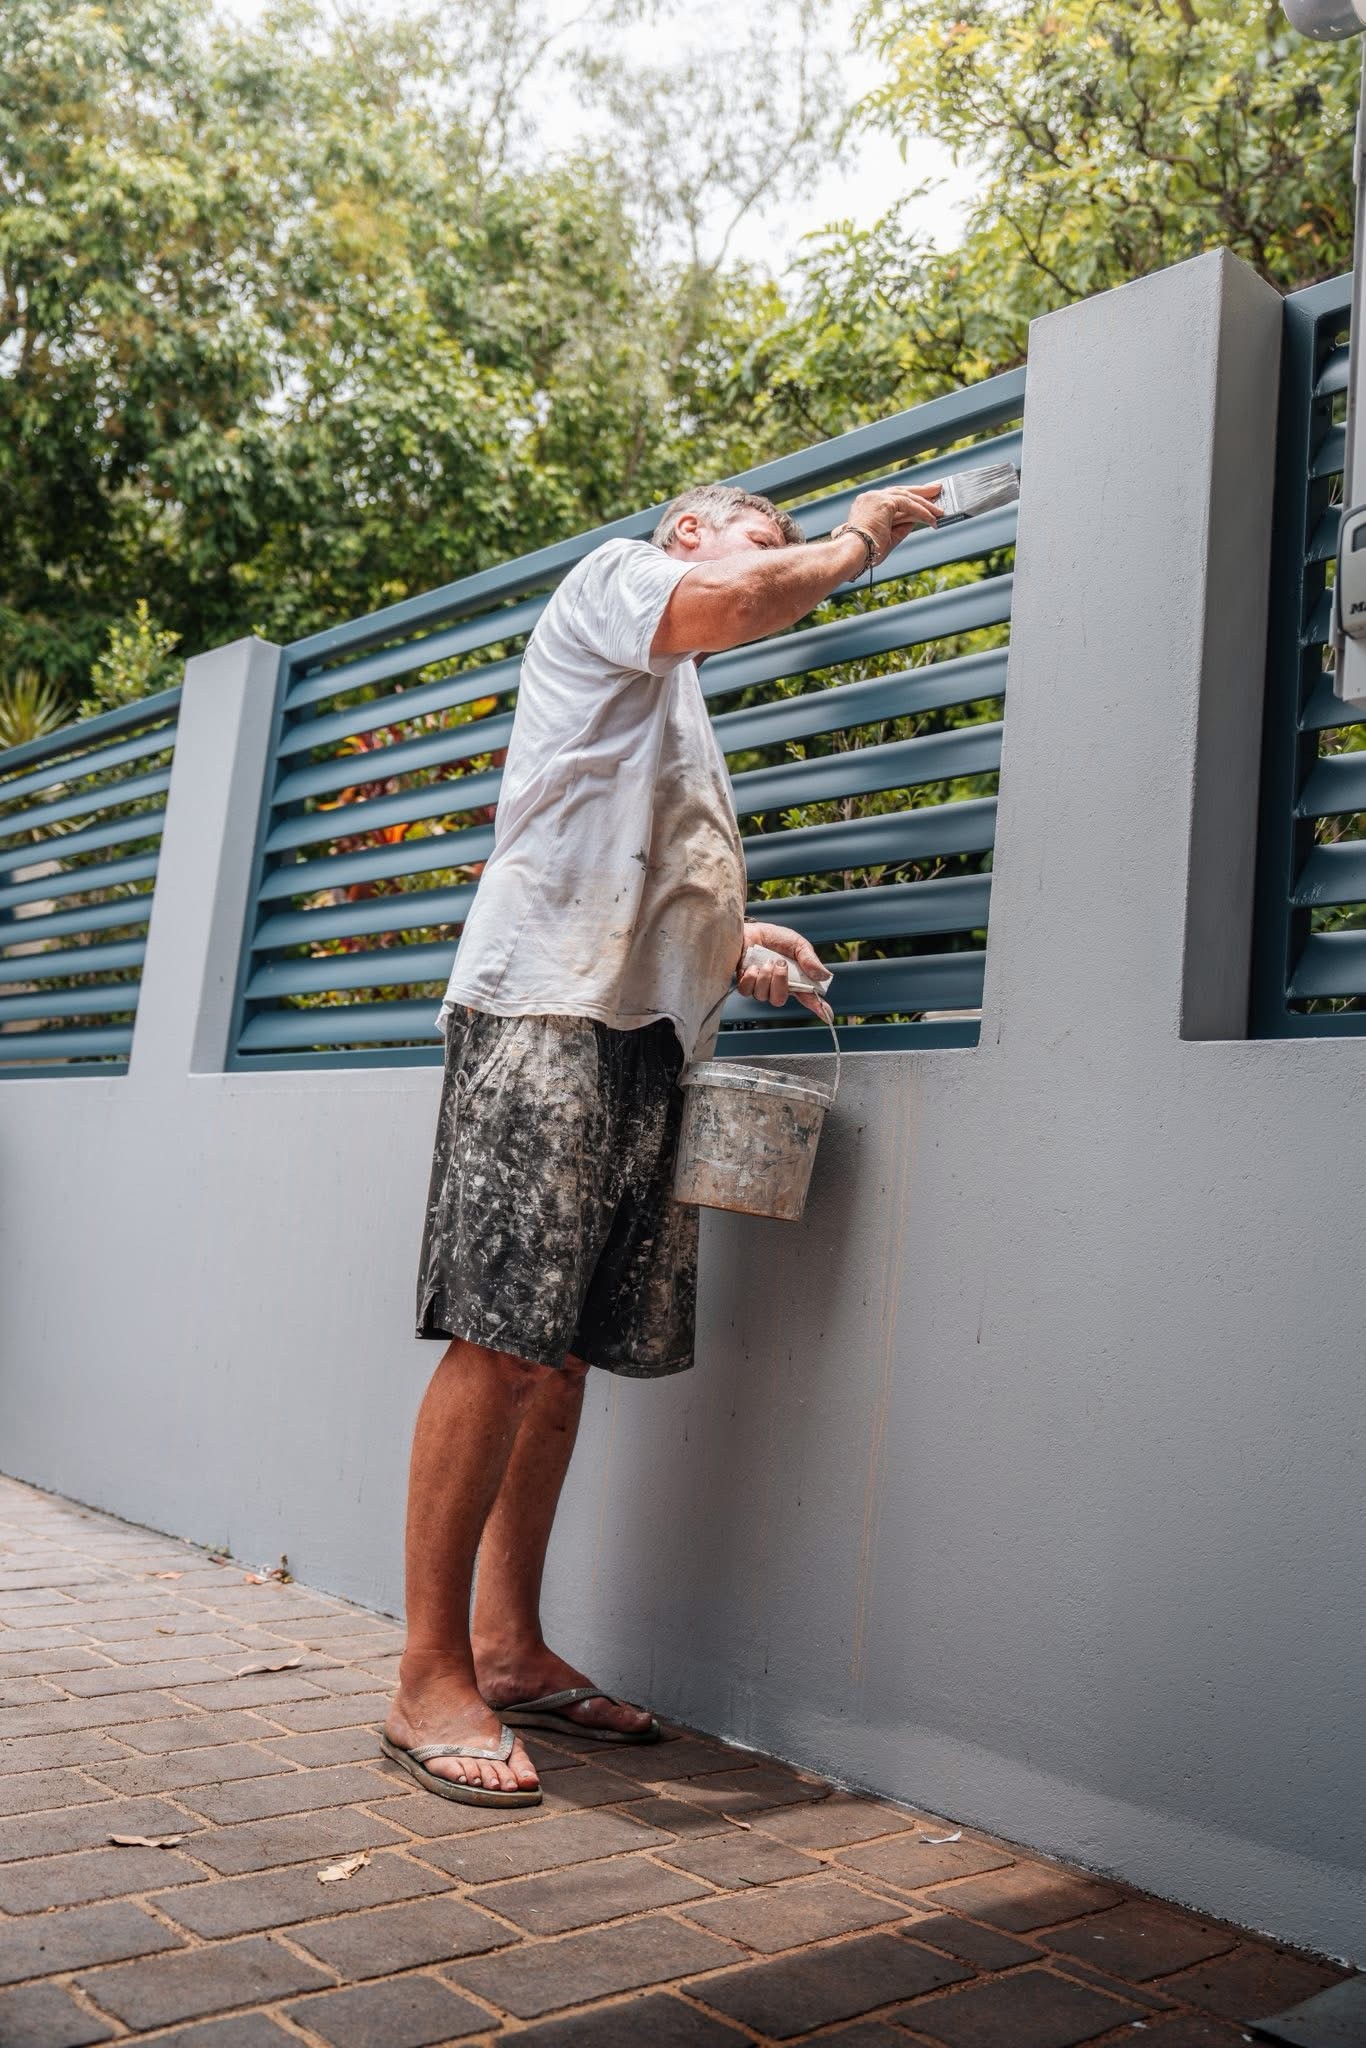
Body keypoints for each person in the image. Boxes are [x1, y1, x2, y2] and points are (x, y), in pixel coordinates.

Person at [383, 476, 942, 1804]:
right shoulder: (623, 580)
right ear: (691, 531)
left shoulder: (669, 704)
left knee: (562, 1359)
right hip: (544, 1010)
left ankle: (509, 1652)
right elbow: (749, 597)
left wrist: (737, 947)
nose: (782, 552)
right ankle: (425, 1676)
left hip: (641, 1031)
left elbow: (630, 851)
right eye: (762, 530)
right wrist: (860, 531)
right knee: (501, 1335)